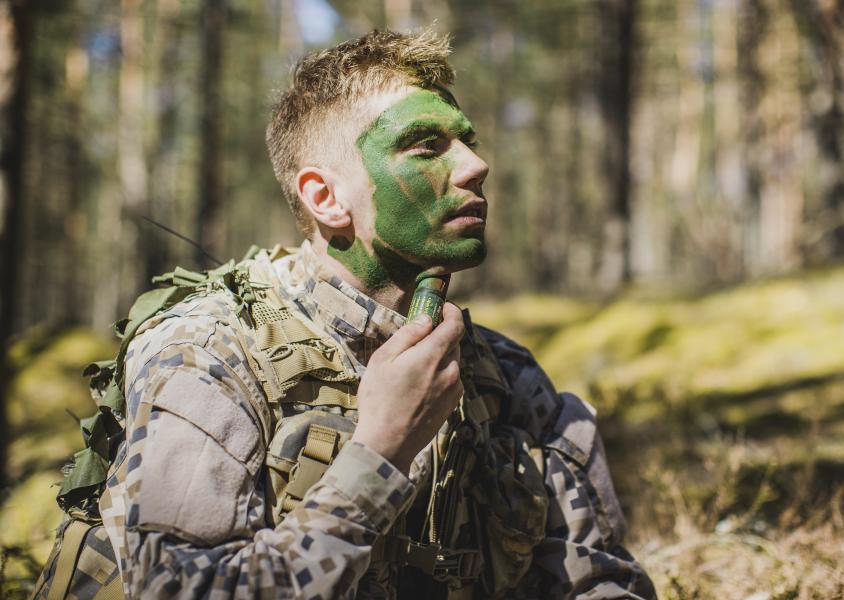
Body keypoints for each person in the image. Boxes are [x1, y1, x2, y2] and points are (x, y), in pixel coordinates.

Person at [90, 28, 656, 599]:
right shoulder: (208, 352)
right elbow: (186, 589)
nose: (476, 165)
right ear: (327, 199)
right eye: (425, 146)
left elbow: (601, 582)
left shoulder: (505, 378)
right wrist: (381, 451)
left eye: (467, 141)